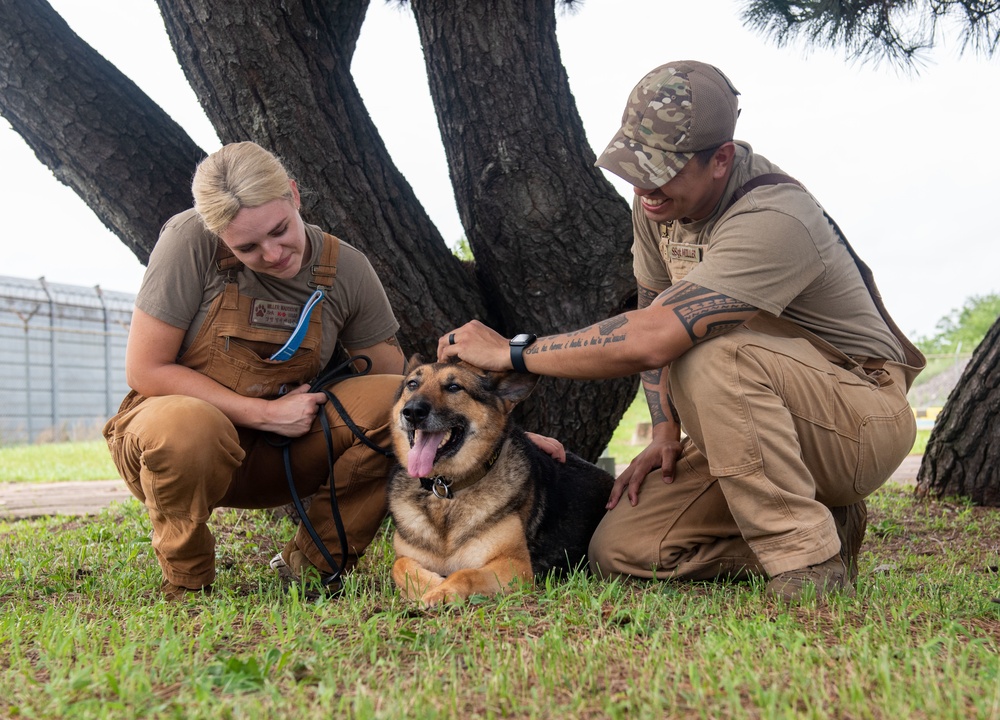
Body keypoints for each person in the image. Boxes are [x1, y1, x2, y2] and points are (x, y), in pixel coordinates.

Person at [438, 61, 925, 602]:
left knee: (709, 352)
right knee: (622, 551)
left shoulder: (775, 217)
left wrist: (513, 352)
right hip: (768, 419)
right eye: (634, 164)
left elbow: (656, 336)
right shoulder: (657, 205)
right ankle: (827, 530)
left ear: (720, 158)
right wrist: (665, 431)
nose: (643, 185)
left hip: (859, 421)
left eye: (661, 168)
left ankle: (807, 559)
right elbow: (652, 304)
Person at [103, 141, 405, 600]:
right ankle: (188, 581)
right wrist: (263, 413)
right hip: (178, 450)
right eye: (247, 246)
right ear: (217, 234)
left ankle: (313, 566)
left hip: (281, 457)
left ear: (294, 195)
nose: (273, 253)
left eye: (280, 230)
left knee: (396, 404)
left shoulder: (347, 270)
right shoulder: (188, 240)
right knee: (188, 425)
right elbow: (145, 369)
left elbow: (408, 394)